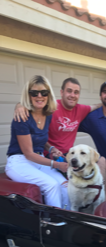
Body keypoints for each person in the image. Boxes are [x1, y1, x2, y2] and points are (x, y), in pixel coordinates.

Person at [14, 77, 106, 180]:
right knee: (74, 178)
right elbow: (35, 104)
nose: (72, 95)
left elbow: (101, 104)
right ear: (61, 92)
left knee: (100, 161)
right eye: (69, 91)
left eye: (76, 92)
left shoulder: (81, 109)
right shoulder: (51, 107)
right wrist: (19, 105)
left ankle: (101, 197)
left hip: (70, 154)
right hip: (51, 155)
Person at [6, 75, 70, 209]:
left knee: (65, 185)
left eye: (44, 92)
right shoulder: (22, 117)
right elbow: (28, 153)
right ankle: (55, 224)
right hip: (19, 161)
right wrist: (57, 165)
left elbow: (37, 138)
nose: (39, 96)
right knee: (51, 185)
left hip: (38, 159)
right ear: (28, 95)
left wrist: (51, 148)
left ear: (49, 95)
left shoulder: (47, 115)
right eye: (34, 93)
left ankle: (70, 221)